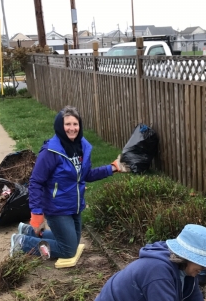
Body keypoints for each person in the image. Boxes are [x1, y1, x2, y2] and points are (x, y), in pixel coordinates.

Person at [9, 105, 128, 259]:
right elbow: (36, 183)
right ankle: (22, 242)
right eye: (67, 124)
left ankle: (28, 231)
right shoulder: (50, 152)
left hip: (74, 205)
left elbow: (86, 175)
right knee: (68, 250)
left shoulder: (83, 147)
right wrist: (37, 215)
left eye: (75, 124)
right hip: (56, 207)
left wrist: (113, 168)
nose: (72, 128)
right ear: (60, 126)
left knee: (72, 241)